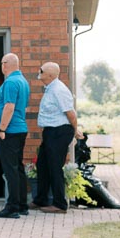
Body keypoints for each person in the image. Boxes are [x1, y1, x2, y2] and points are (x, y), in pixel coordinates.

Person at [34, 62, 80, 214]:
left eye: (42, 71)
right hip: (51, 132)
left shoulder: (59, 90)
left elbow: (70, 113)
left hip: (59, 132)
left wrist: (75, 130)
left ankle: (60, 204)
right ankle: (41, 199)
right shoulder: (50, 89)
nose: (39, 72)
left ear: (50, 75)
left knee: (54, 167)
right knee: (42, 165)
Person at [0, 53, 31, 219]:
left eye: (1, 63)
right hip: (18, 129)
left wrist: (2, 129)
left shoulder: (11, 82)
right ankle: (22, 204)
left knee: (10, 170)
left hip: (10, 131)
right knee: (17, 168)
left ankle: (12, 207)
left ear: (5, 64)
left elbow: (9, 107)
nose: (1, 66)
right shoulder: (23, 81)